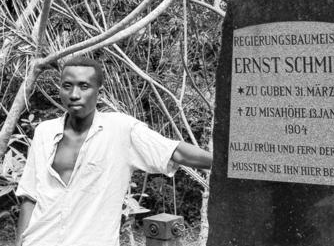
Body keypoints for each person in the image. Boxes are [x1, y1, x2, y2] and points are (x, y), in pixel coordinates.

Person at [14, 56, 212, 246]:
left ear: (98, 91)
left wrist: (234, 161)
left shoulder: (120, 129)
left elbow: (175, 152)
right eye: (67, 86)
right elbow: (30, 195)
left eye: (84, 86)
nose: (74, 94)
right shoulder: (45, 132)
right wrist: (20, 242)